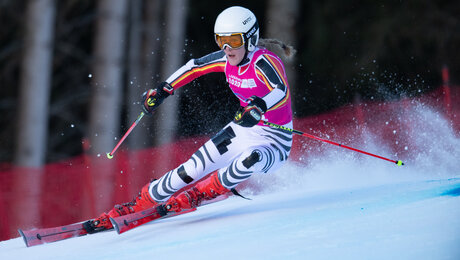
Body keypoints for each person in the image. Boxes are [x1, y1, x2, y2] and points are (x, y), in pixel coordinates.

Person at [84, 6, 295, 233]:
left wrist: (260, 105)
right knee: (190, 170)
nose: (226, 48)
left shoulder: (264, 62)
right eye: (220, 41)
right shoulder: (226, 60)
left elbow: (280, 90)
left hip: (276, 141)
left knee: (249, 159)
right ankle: (139, 204)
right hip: (242, 130)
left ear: (250, 39)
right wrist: (164, 89)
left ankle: (199, 195)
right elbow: (194, 67)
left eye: (233, 41)